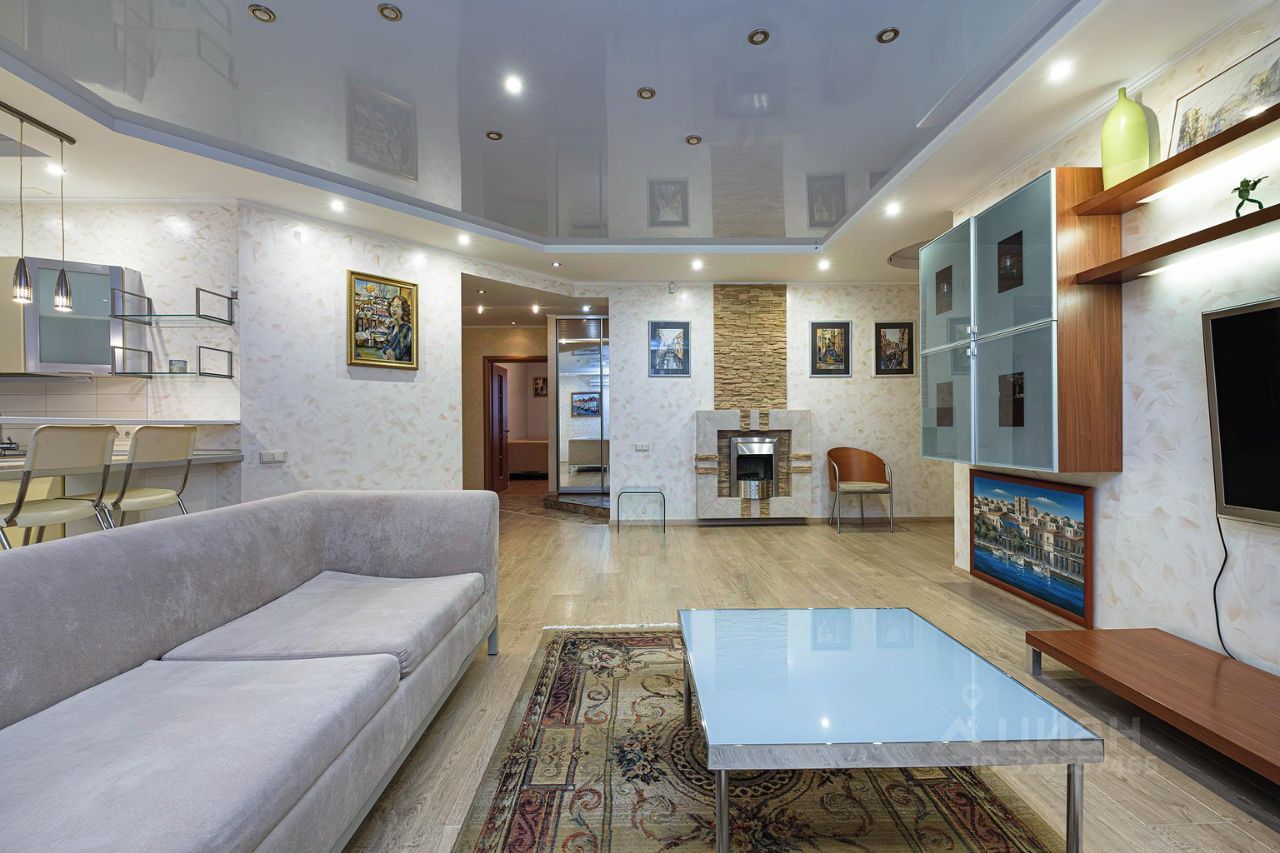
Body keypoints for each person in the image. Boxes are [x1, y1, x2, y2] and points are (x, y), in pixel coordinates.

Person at [380, 294, 414, 362]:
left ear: (403, 310)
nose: (393, 309)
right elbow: (385, 343)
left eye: (398, 306)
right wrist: (387, 349)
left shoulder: (407, 329)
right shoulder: (392, 328)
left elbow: (397, 354)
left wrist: (396, 326)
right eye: (392, 306)